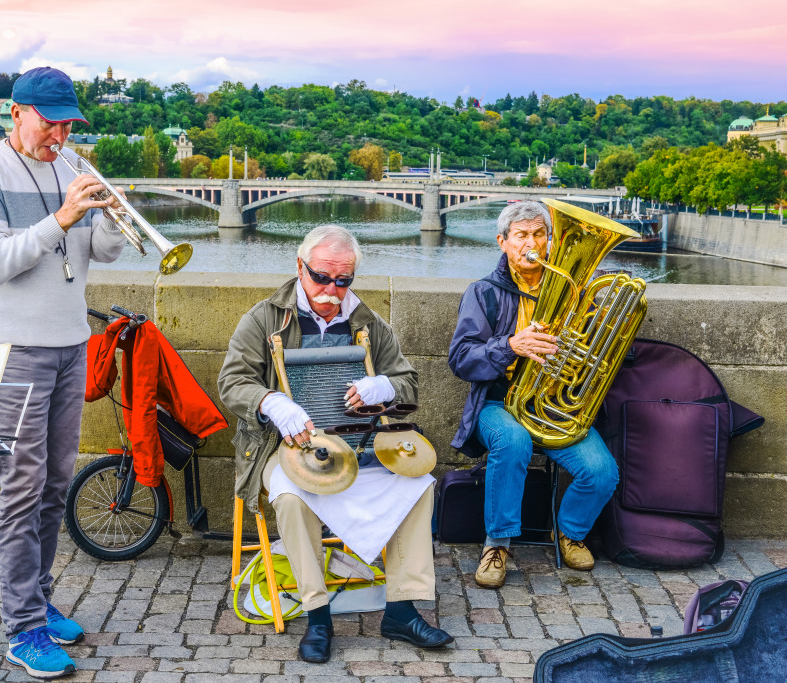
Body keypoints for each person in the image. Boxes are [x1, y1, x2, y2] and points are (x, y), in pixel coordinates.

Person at [0, 66, 127, 679]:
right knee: (20, 489)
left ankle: (41, 597)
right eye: (49, 120)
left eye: (67, 122)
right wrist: (60, 218)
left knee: (55, 484)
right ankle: (21, 628)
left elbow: (98, 254)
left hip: (70, 343)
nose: (59, 133)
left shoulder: (71, 166)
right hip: (15, 352)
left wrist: (107, 215)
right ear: (15, 112)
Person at [218, 225, 452, 664]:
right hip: (281, 445)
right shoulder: (265, 317)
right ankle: (318, 614)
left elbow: (408, 383)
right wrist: (271, 401)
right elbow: (231, 382)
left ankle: (401, 609)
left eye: (343, 281)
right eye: (322, 277)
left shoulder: (367, 322)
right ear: (300, 267)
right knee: (291, 498)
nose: (332, 291)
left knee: (418, 486)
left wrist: (384, 387)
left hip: (359, 443)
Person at [447, 200, 619, 589]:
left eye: (539, 234)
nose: (532, 243)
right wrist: (510, 345)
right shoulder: (484, 293)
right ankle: (498, 544)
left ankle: (571, 532)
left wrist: (591, 339)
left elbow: (605, 354)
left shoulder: (577, 294)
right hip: (499, 401)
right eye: (522, 235)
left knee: (601, 470)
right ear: (503, 242)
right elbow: (460, 360)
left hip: (554, 403)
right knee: (513, 439)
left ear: (551, 242)